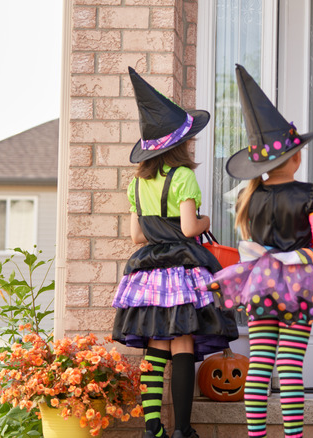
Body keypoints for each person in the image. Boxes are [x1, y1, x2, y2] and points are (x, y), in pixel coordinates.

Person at [206, 65, 313, 438]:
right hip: (299, 285)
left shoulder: (247, 197)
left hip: (260, 283)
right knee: (289, 365)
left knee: (259, 364)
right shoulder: (311, 194)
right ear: (296, 158)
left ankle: (256, 436)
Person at [111, 67, 238, 438]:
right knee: (182, 341)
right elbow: (187, 229)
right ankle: (182, 429)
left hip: (148, 272)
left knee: (155, 344)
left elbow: (137, 236)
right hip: (182, 268)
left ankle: (152, 429)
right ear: (179, 144)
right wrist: (206, 220)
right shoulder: (182, 177)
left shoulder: (137, 183)